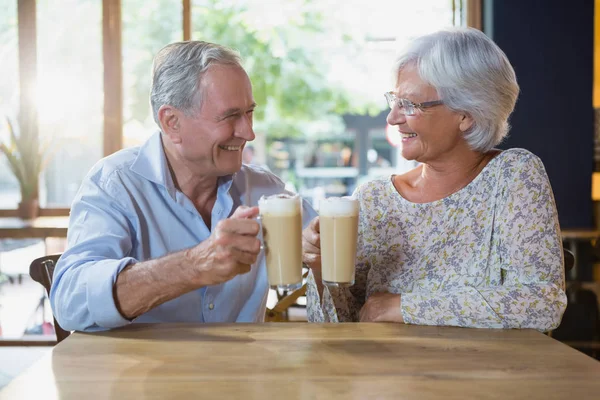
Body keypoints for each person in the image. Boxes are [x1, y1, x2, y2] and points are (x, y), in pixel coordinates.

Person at [302, 28, 567, 331]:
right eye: (394, 100)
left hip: (485, 376)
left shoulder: (514, 176)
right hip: (383, 375)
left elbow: (542, 304)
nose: (392, 118)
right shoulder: (374, 199)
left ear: (466, 114)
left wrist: (401, 306)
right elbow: (340, 328)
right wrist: (321, 270)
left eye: (410, 104)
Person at [50, 41, 316, 331]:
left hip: (241, 373)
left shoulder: (265, 191)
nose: (248, 132)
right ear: (172, 122)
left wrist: (317, 248)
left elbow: (339, 254)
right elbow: (70, 302)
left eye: (249, 113)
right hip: (139, 375)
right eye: (230, 116)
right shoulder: (115, 184)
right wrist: (192, 266)